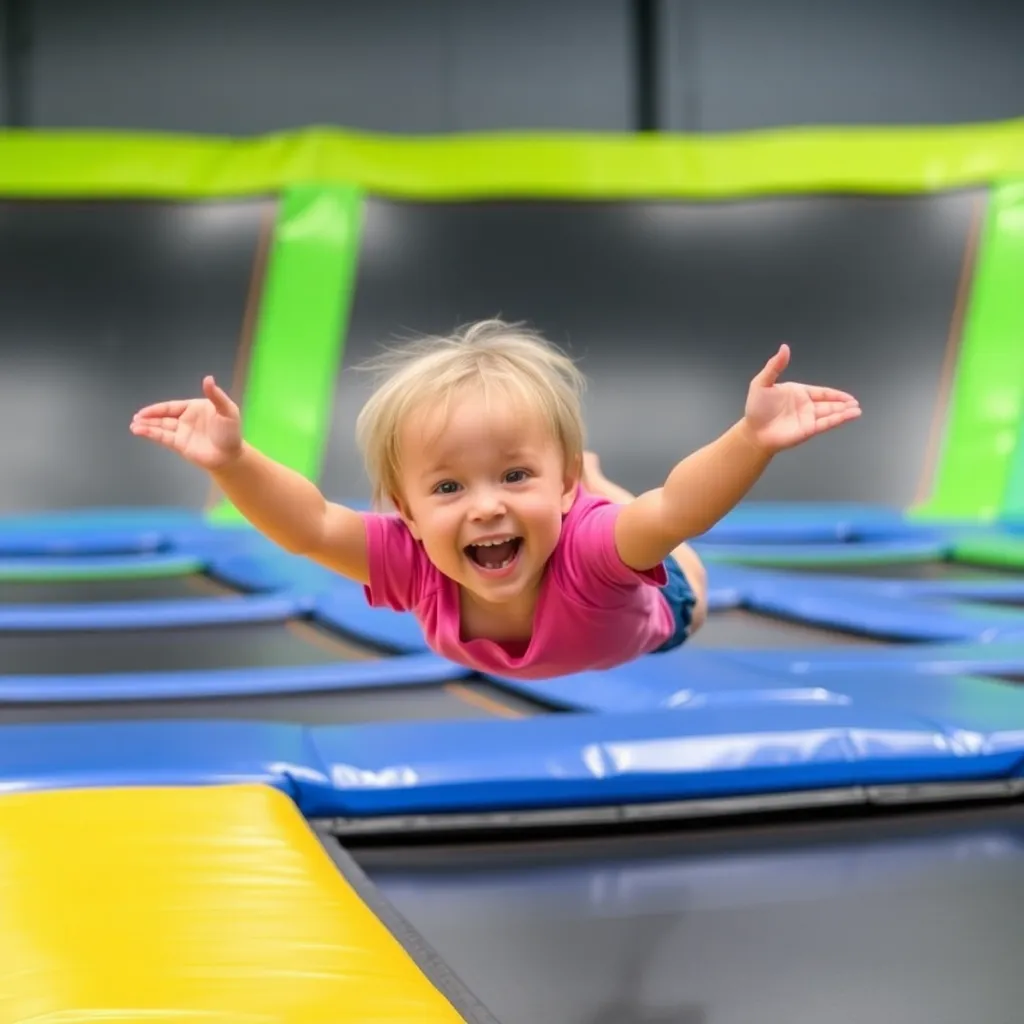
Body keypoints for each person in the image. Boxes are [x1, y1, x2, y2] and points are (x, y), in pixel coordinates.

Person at [130, 319, 860, 681]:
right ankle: (584, 480)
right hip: (573, 514)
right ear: (405, 513)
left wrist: (752, 438)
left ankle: (596, 487)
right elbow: (311, 525)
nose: (485, 507)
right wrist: (232, 461)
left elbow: (679, 509)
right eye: (448, 487)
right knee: (619, 516)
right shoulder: (409, 558)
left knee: (659, 539)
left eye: (514, 476)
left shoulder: (589, 553)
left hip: (664, 603)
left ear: (554, 481)